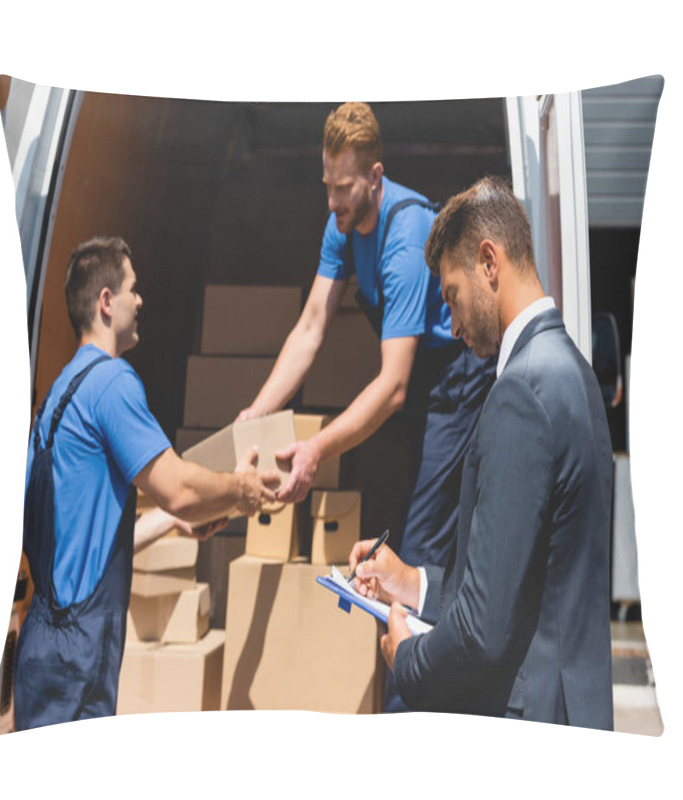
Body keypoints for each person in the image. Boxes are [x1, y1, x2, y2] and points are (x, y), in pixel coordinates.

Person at [348, 177, 614, 729]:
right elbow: (527, 587)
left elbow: (485, 631)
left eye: (451, 295)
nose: (451, 322)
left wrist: (408, 659)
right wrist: (413, 583)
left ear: (488, 263)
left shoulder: (519, 393)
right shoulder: (575, 374)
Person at [238, 99, 496, 617]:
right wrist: (256, 413)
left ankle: (412, 684)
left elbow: (393, 386)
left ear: (375, 177)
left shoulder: (404, 242)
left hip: (459, 381)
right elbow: (311, 327)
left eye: (344, 186)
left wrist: (314, 451)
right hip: (418, 376)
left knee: (422, 532)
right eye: (327, 184)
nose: (332, 199)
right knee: (395, 506)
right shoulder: (340, 226)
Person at [13, 236, 279, 730]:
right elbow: (177, 485)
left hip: (41, 649)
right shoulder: (113, 382)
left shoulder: (55, 400)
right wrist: (240, 490)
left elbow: (86, 542)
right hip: (79, 661)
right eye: (133, 289)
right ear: (107, 302)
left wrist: (174, 523)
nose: (141, 300)